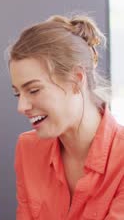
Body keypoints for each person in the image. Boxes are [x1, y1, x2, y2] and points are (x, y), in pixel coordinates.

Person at [8, 15, 124, 219]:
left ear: (76, 80)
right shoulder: (27, 150)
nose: (21, 106)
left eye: (33, 90)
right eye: (18, 93)